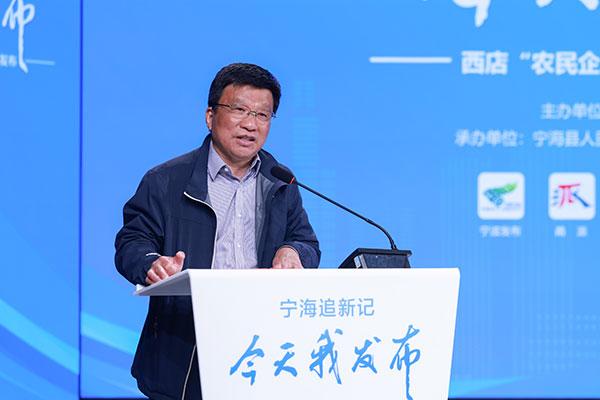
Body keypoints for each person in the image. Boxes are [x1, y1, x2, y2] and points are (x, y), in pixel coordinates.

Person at [115, 63, 320, 400]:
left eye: (262, 115)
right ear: (210, 116)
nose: (251, 124)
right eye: (239, 110)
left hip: (262, 347)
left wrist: (293, 252)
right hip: (185, 350)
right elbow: (131, 242)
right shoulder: (165, 180)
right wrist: (152, 263)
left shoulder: (281, 182)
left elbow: (305, 241)